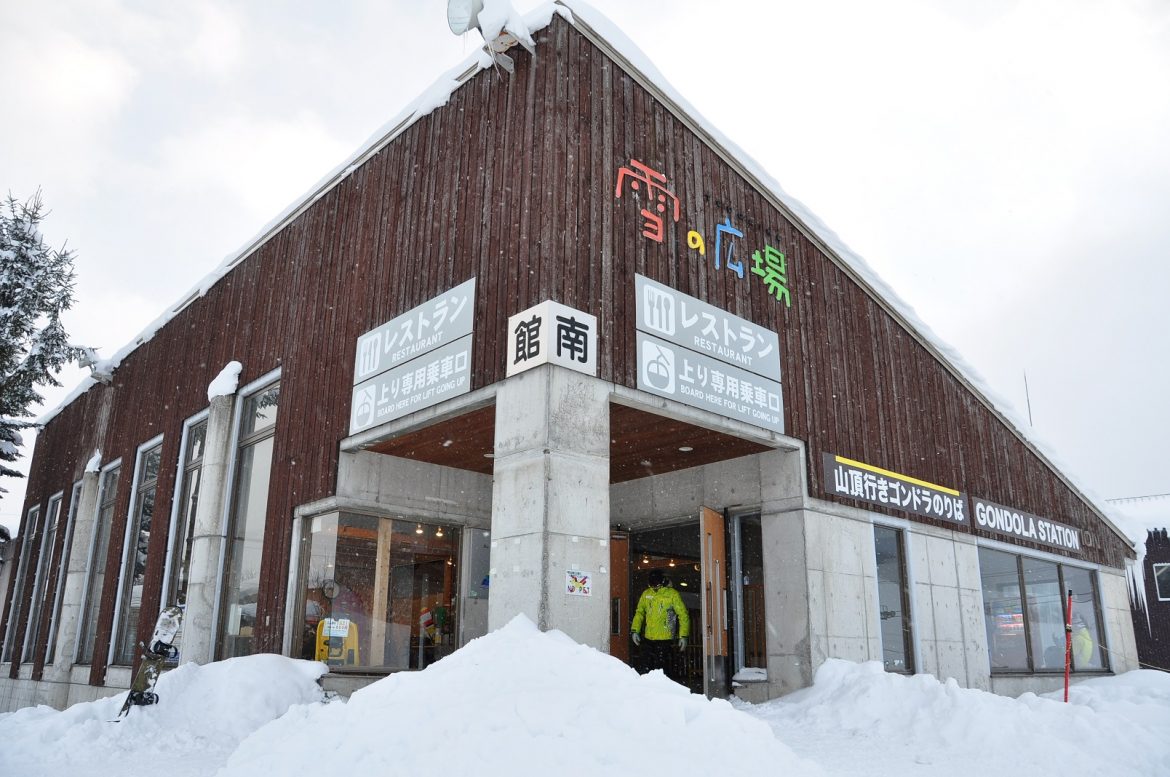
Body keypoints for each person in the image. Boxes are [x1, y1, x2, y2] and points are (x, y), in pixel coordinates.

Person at [630, 569, 690, 681]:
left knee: (662, 672)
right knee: (646, 670)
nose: (654, 587)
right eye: (651, 585)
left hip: (665, 640)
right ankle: (646, 688)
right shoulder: (646, 594)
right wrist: (635, 630)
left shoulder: (672, 594)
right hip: (648, 639)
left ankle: (663, 689)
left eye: (656, 585)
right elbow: (639, 613)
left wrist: (683, 636)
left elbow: (683, 615)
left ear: (662, 581)